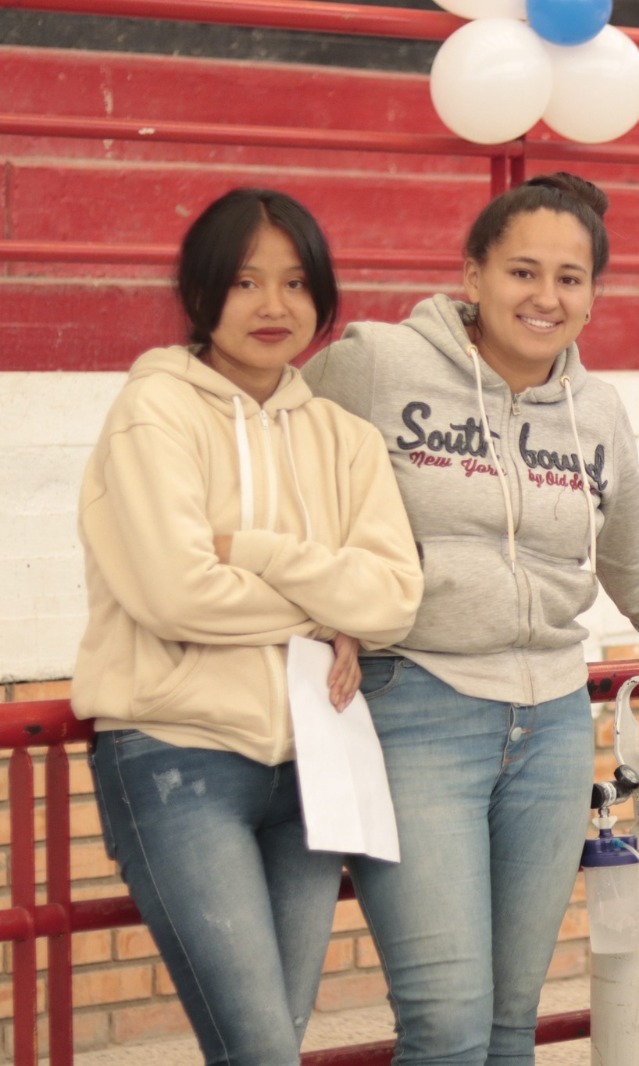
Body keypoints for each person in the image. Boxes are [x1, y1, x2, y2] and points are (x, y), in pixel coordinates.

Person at [302, 171, 639, 1064]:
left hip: (552, 727)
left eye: (569, 277)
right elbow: (278, 468)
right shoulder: (377, 362)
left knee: (514, 1018)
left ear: (593, 297)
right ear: (471, 276)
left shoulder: (597, 413)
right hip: (416, 707)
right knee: (446, 1023)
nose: (544, 296)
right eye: (521, 271)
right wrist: (319, 605)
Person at [74, 188, 424, 1065]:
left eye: (297, 283)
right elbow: (176, 594)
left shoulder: (346, 439)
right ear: (200, 294)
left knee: (273, 1042)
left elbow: (392, 602)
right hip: (175, 757)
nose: (274, 307)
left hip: (312, 765)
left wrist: (263, 555)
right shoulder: (154, 411)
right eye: (244, 283)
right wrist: (325, 610)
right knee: (260, 1048)